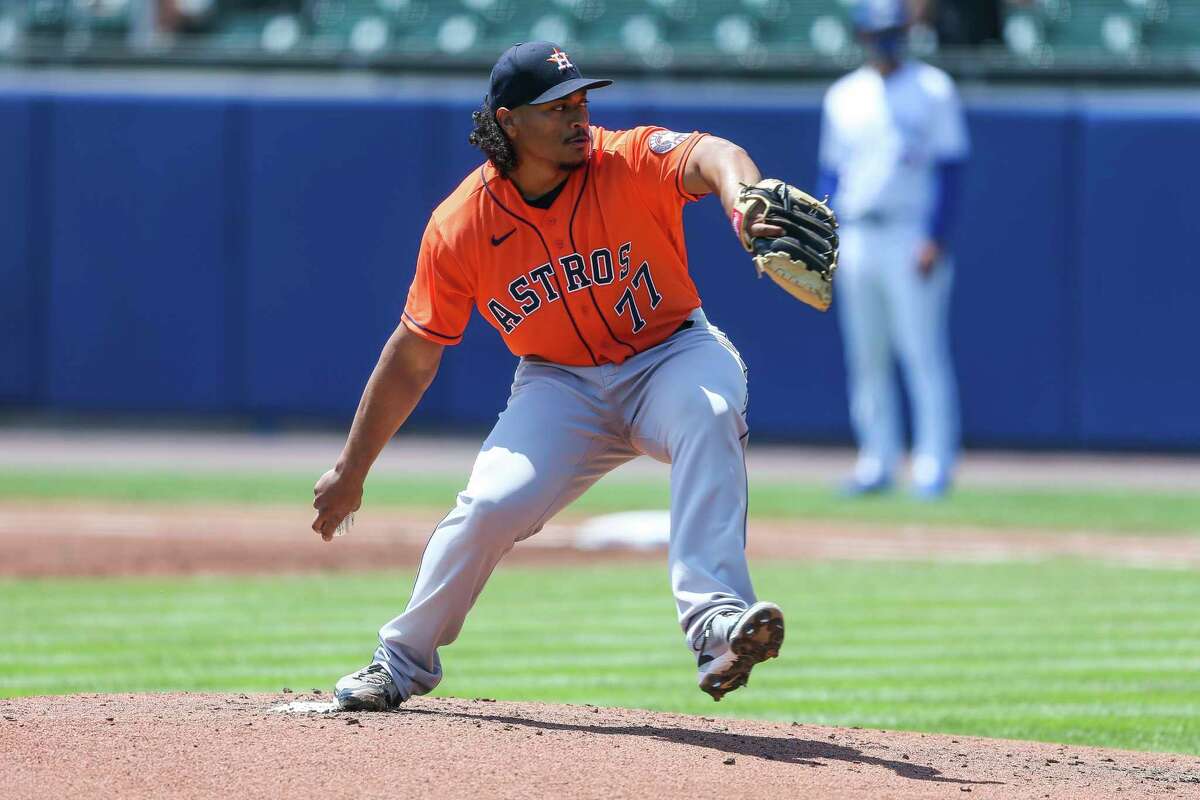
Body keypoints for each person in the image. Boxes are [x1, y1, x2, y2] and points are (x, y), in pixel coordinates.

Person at [312, 41, 797, 711]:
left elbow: (713, 154)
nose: (578, 116)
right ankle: (398, 662)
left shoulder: (622, 158)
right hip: (560, 385)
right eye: (556, 107)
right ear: (508, 121)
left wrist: (744, 201)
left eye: (581, 101)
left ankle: (717, 626)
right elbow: (414, 356)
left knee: (709, 411)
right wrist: (352, 469)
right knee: (488, 506)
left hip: (671, 355)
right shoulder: (460, 227)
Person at [819, 0, 969, 499]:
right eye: (878, 32)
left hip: (910, 234)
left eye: (894, 31)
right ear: (862, 36)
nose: (887, 41)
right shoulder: (843, 95)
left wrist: (936, 237)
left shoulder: (933, 88)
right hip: (857, 232)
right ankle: (876, 459)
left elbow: (950, 169)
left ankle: (932, 463)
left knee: (921, 352)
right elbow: (832, 174)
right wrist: (827, 234)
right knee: (867, 355)